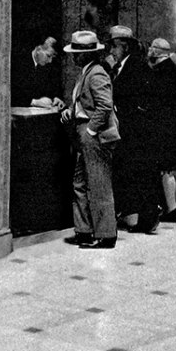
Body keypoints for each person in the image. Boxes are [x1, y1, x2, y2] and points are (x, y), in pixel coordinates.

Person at [60, 30, 120, 249]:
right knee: (81, 182)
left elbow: (104, 105)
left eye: (77, 52)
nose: (73, 56)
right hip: (85, 131)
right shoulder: (87, 72)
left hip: (95, 135)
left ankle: (106, 234)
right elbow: (86, 102)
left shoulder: (96, 73)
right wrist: (71, 111)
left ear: (87, 54)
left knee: (98, 184)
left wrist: (91, 131)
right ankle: (84, 230)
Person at [105, 25, 162, 233]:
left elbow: (128, 97)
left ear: (125, 47)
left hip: (135, 132)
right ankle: (136, 217)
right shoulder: (130, 66)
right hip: (132, 131)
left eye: (114, 47)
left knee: (136, 174)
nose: (111, 51)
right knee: (134, 174)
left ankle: (140, 218)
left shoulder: (135, 67)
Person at [146, 38, 176, 222]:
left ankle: (171, 208)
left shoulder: (159, 72)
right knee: (175, 169)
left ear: (157, 51)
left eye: (151, 48)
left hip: (164, 123)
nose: (149, 50)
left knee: (165, 168)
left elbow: (155, 100)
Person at [16, 37, 65, 109]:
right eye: (48, 56)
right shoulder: (19, 62)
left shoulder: (45, 67)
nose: (50, 61)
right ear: (38, 49)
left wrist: (54, 99)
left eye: (52, 57)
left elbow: (47, 90)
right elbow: (14, 94)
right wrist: (34, 102)